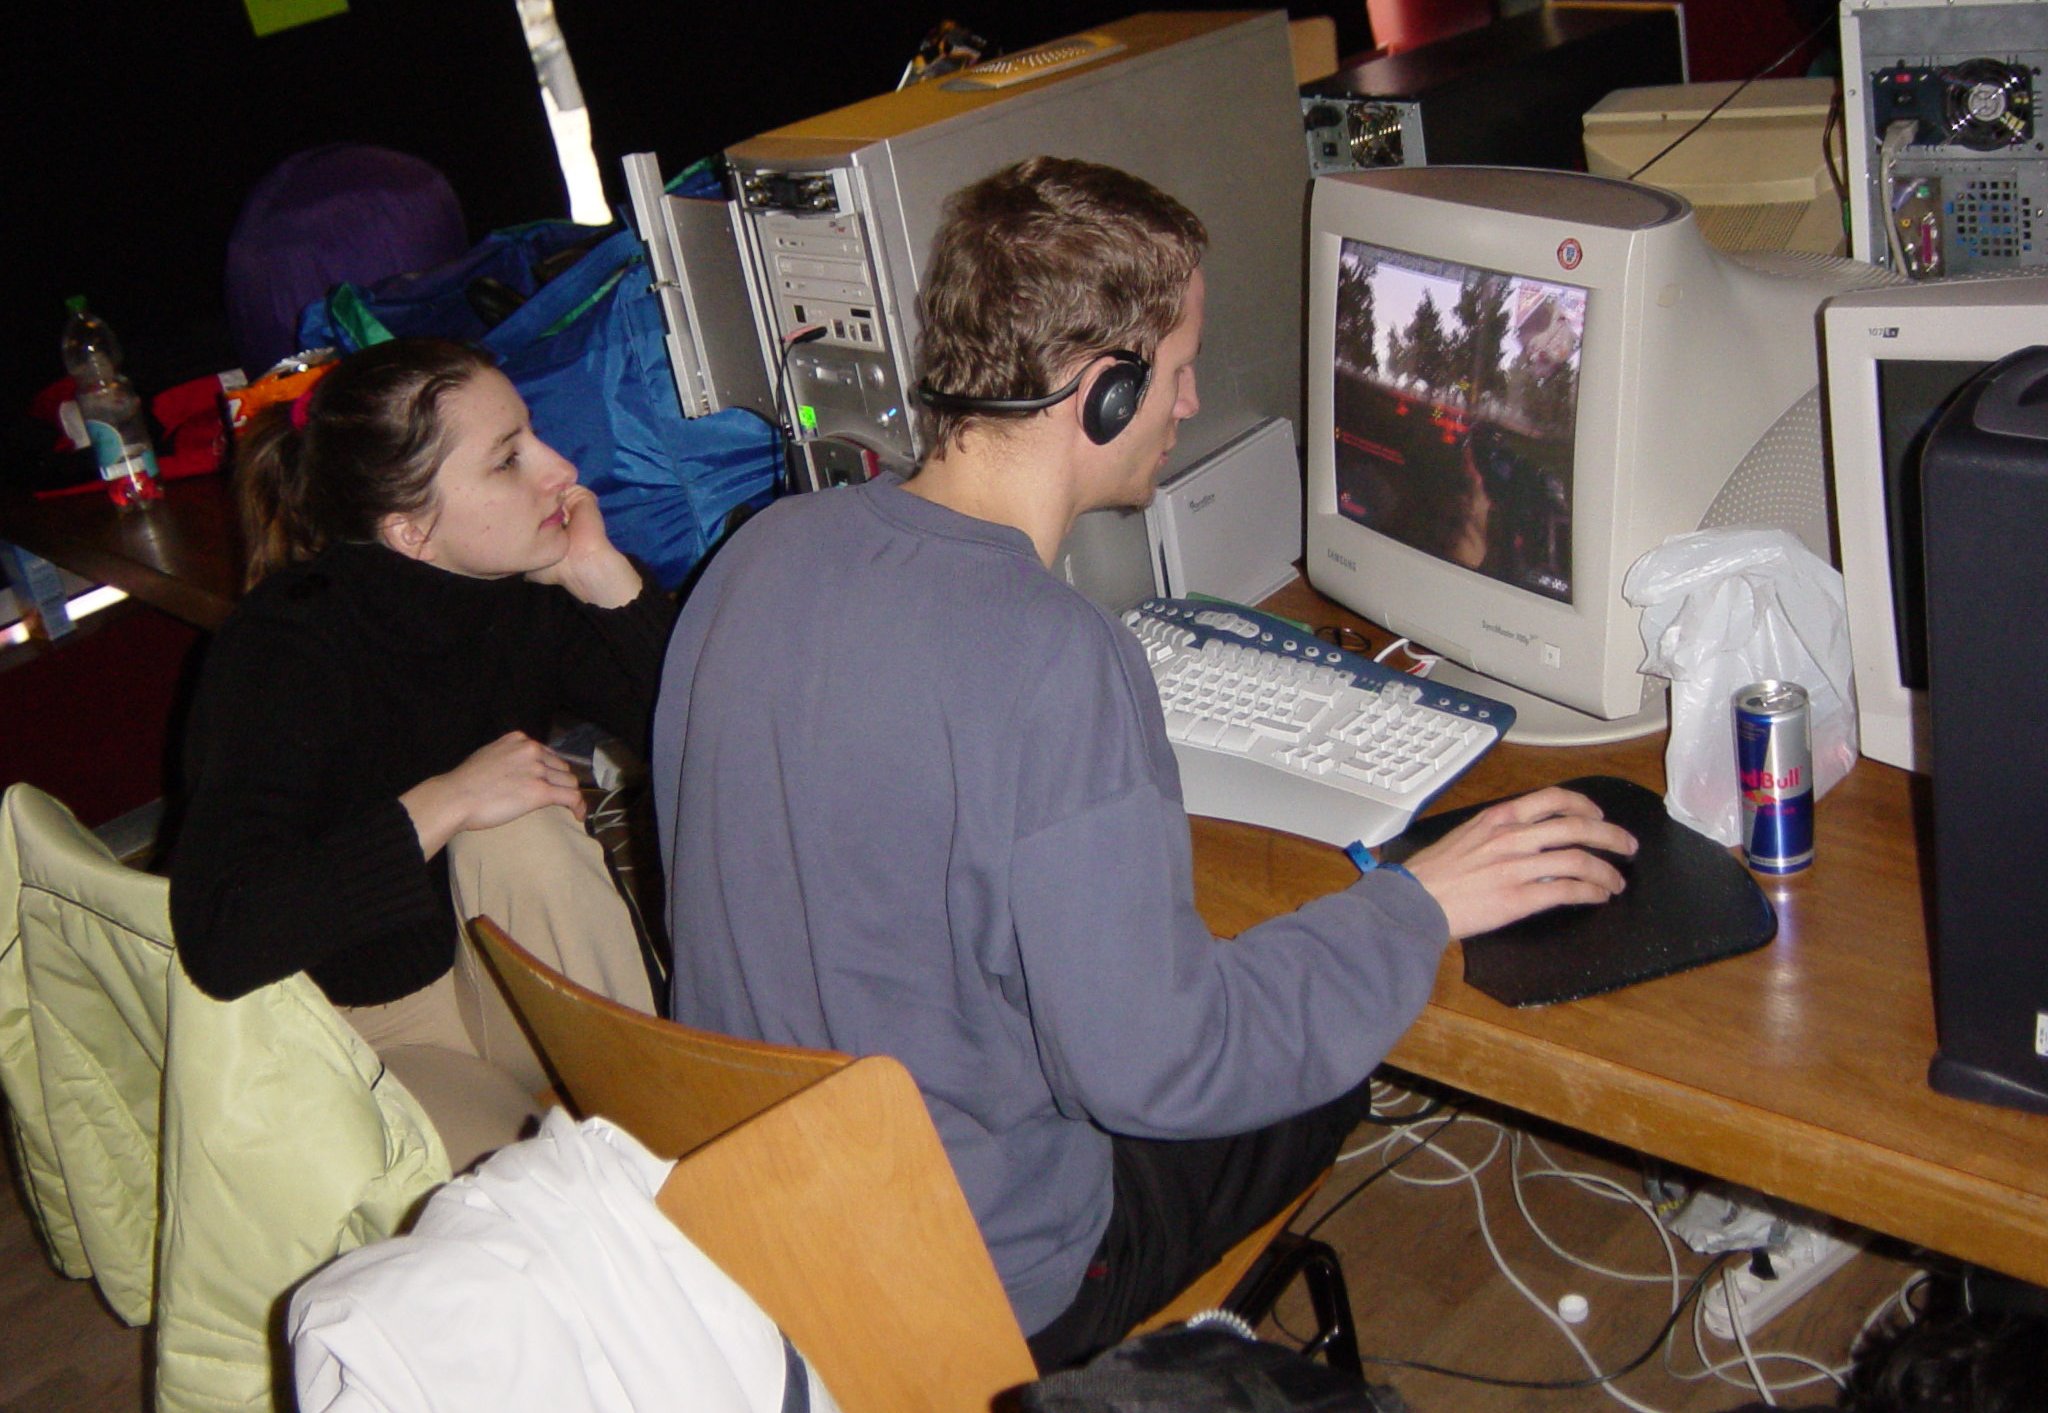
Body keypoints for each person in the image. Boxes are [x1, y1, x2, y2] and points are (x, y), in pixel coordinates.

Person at [652, 156, 1636, 1366]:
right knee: (1320, 1064)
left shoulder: (761, 551)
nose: (1188, 403)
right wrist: (1413, 906)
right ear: (1103, 396)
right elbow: (1163, 1071)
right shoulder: (1054, 659)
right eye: (1176, 371)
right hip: (976, 1286)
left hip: (763, 1229)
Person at [170, 337, 671, 1169]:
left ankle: (658, 1123)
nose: (560, 469)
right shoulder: (283, 650)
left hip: (496, 982)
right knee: (533, 1208)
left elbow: (718, 743)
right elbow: (224, 938)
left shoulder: (522, 592)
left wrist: (606, 579)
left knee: (525, 830)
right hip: (371, 1033)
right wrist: (445, 801)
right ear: (409, 530)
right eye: (508, 459)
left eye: (533, 434)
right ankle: (612, 1165)